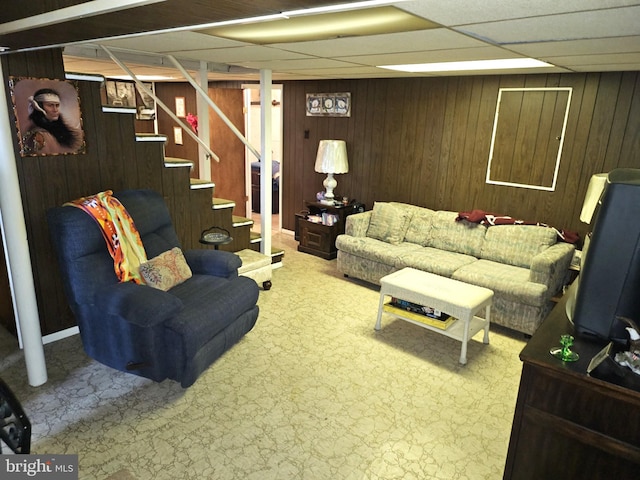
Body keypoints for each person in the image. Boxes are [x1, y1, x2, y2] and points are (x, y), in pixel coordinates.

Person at [21, 88, 83, 155]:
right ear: (39, 107)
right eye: (50, 105)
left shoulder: (55, 129)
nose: (55, 110)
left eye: (57, 105)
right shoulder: (40, 134)